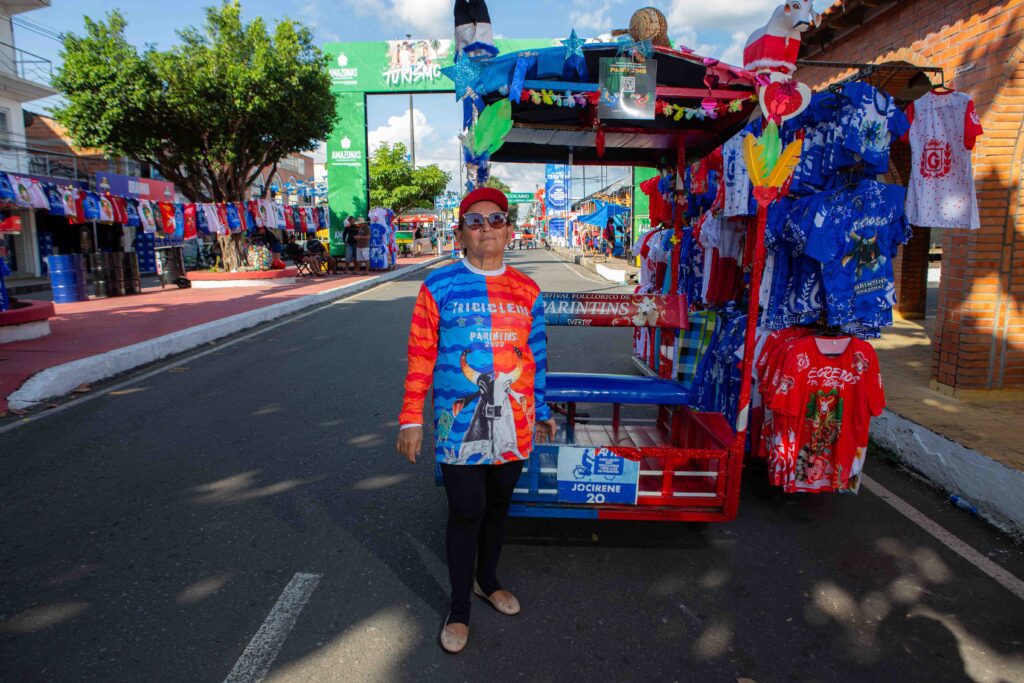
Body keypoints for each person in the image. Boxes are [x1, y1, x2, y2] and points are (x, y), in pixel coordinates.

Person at [396, 187, 557, 655]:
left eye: (496, 219)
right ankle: (460, 604)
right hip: (458, 424)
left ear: (509, 229)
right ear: (460, 233)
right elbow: (421, 356)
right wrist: (411, 417)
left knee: (499, 503)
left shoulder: (528, 291)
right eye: (475, 221)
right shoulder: (437, 287)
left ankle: (488, 579)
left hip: (515, 422)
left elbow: (539, 357)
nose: (487, 228)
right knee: (466, 508)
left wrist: (541, 410)